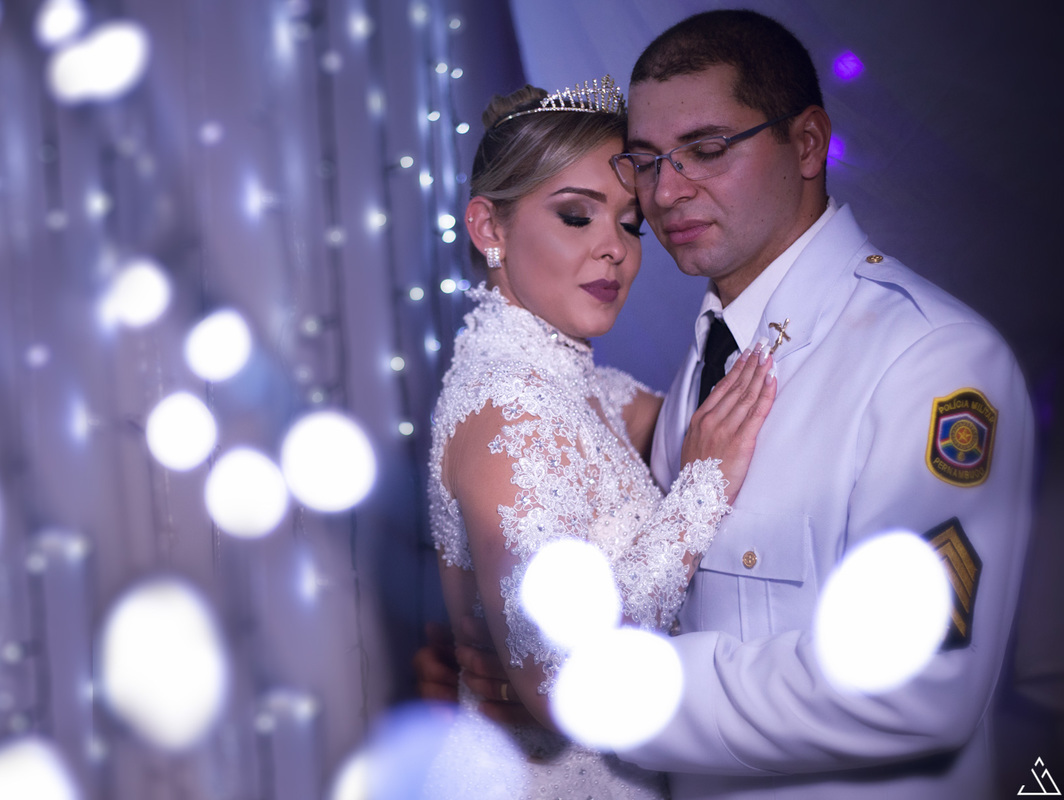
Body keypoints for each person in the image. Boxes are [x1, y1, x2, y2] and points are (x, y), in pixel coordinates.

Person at [420, 10, 1036, 800]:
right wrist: (505, 656)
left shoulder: (931, 361)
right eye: (647, 163)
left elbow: (913, 681)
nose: (669, 191)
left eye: (707, 150)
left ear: (808, 143)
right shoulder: (700, 367)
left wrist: (591, 687)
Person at [424, 79, 777, 798]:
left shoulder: (575, 386)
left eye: (628, 223)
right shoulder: (510, 412)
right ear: (490, 229)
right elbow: (562, 683)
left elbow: (667, 415)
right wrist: (701, 490)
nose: (615, 250)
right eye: (578, 217)